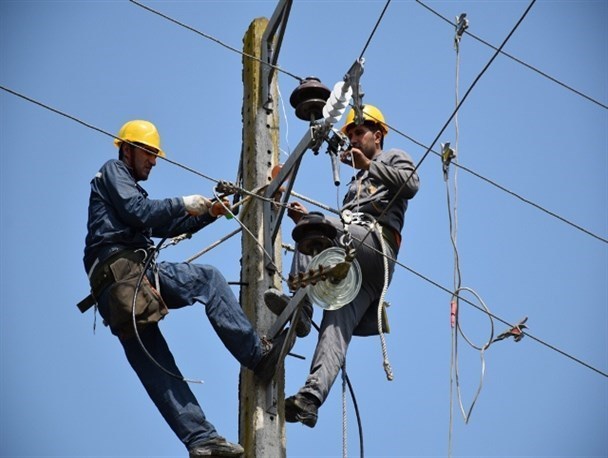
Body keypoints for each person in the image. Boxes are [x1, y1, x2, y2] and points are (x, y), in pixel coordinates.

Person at [82, 120, 292, 457]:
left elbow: (160, 222)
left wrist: (210, 211)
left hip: (114, 290)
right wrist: (183, 202)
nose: (153, 161)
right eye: (149, 152)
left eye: (155, 155)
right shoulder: (112, 172)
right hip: (127, 273)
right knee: (207, 279)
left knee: (155, 366)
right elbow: (140, 213)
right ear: (127, 149)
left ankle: (200, 440)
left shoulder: (123, 190)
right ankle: (257, 354)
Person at [264, 105, 420, 427]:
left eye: (358, 133)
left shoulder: (392, 158)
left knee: (316, 229)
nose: (353, 139)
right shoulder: (356, 181)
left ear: (377, 136)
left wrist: (371, 165)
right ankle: (311, 398)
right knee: (336, 327)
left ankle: (301, 310)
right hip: (356, 266)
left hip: (376, 246)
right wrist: (304, 219)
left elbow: (412, 184)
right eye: (350, 134)